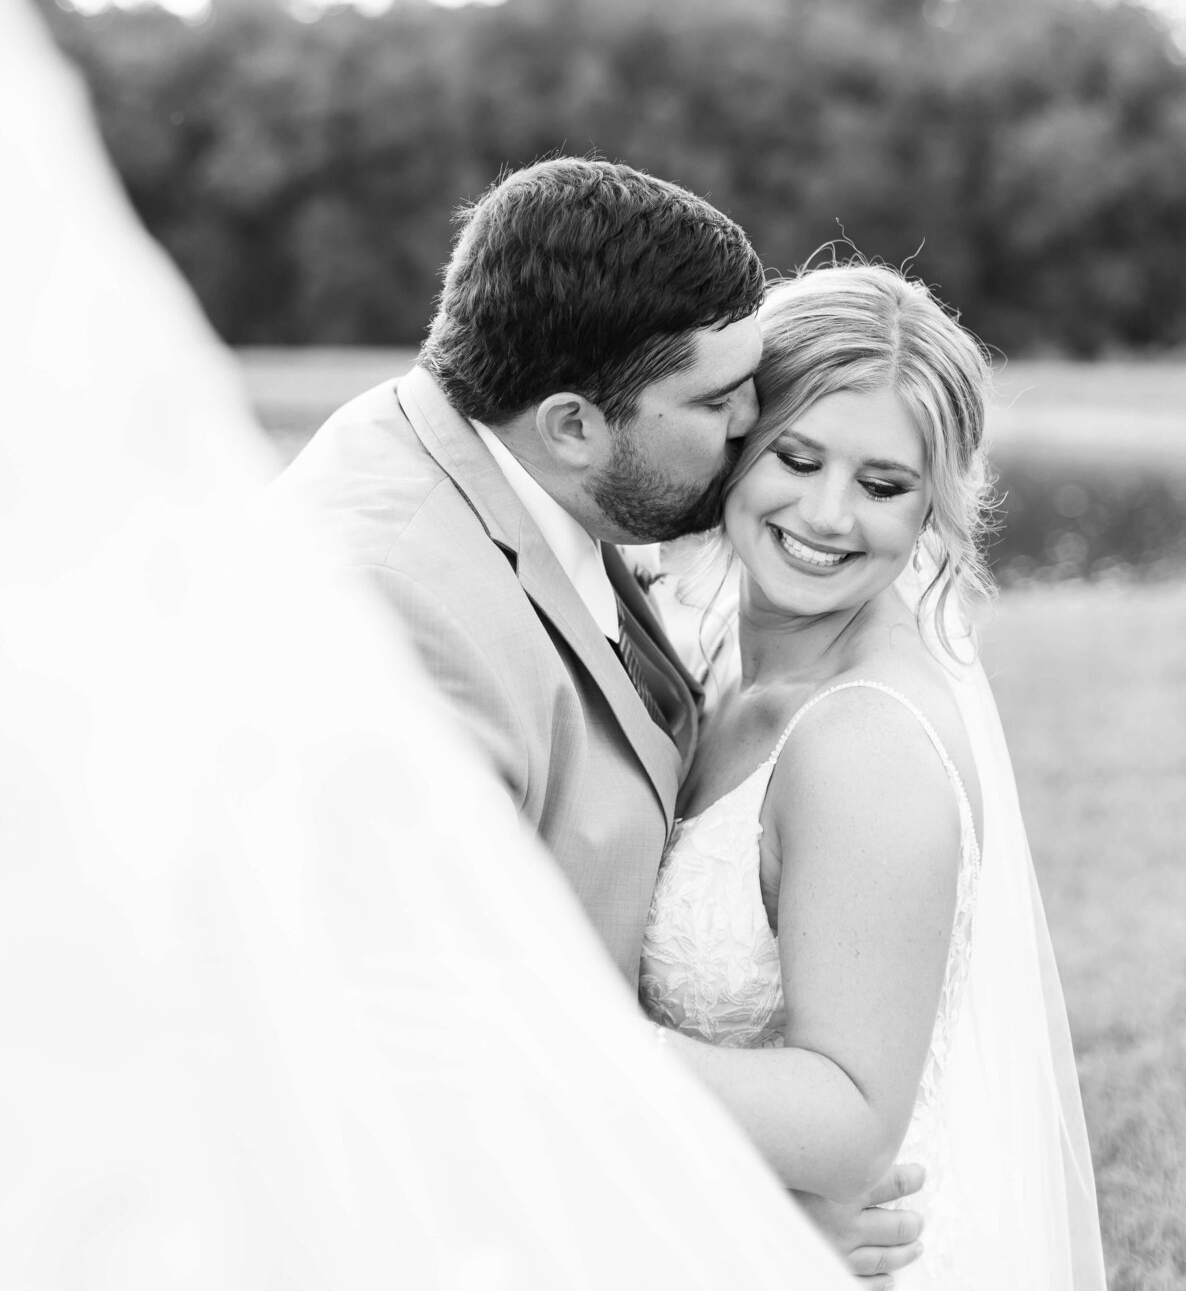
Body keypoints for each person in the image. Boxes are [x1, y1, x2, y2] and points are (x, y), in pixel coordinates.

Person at [273, 158, 926, 1281]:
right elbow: (405, 1057)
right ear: (573, 422)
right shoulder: (397, 616)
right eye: (719, 402)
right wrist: (727, 1224)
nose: (751, 424)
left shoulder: (484, 455)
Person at [639, 261, 1107, 1289]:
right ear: (736, 441)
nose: (828, 516)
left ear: (934, 506)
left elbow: (850, 1120)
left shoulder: (865, 745)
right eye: (796, 458)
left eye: (884, 485)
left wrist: (561, 1037)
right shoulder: (719, 651)